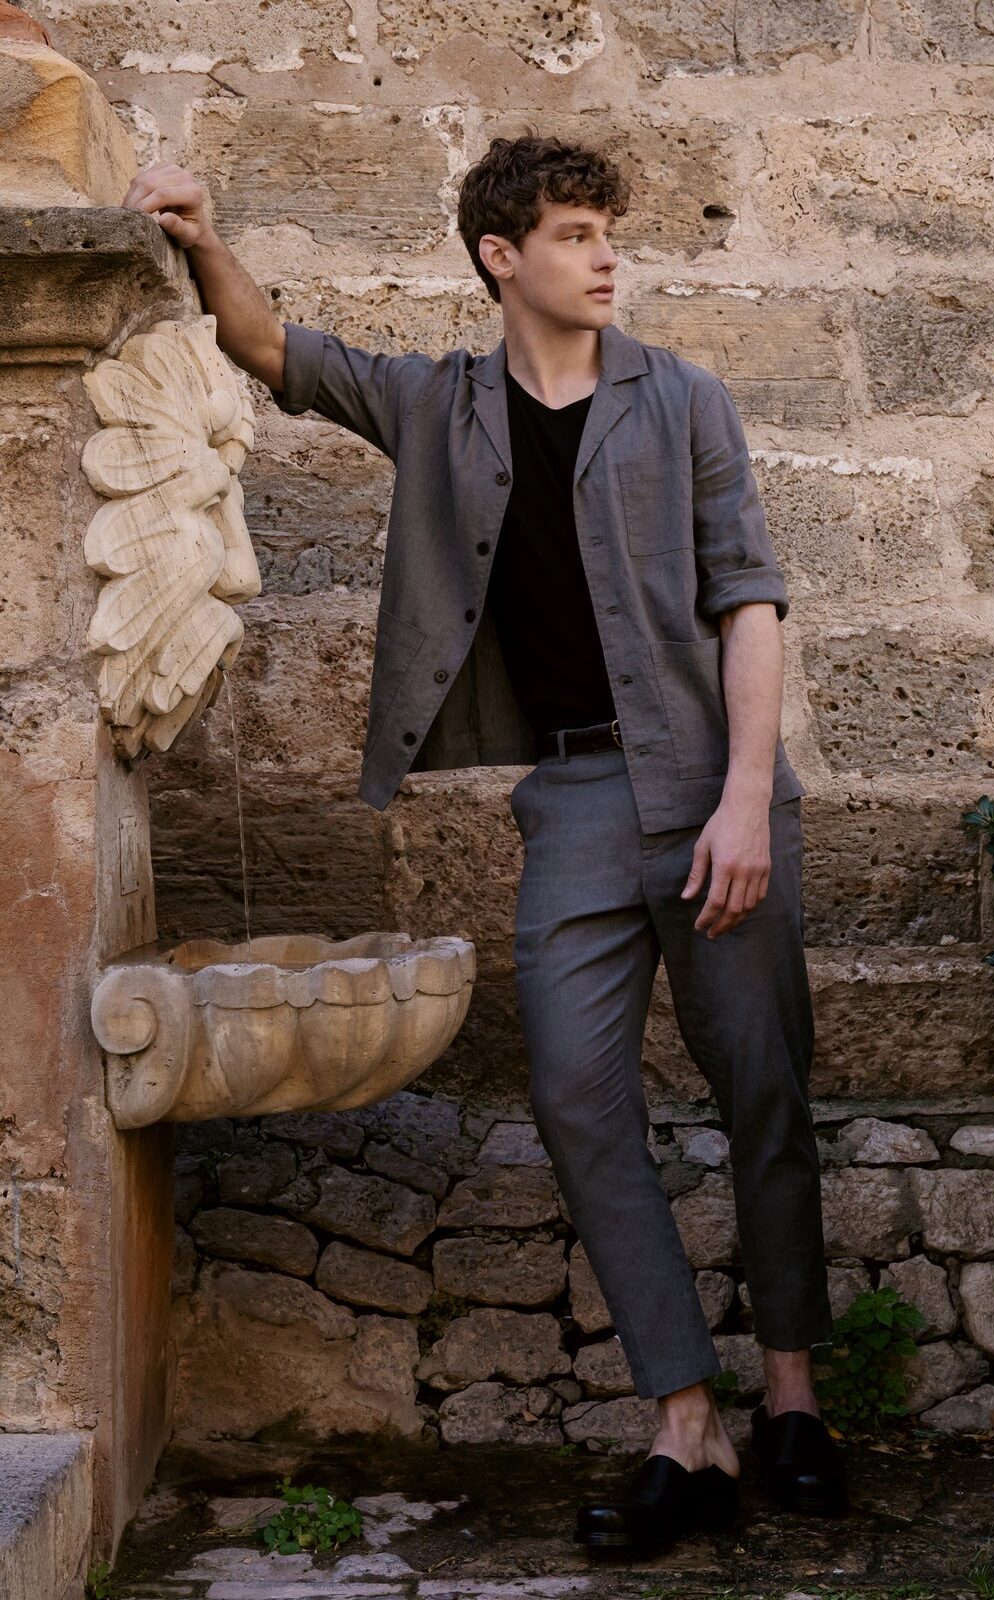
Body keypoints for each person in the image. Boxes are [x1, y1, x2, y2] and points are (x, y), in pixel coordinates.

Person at [121, 128, 850, 1554]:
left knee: (762, 1091)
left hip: (714, 788)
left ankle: (795, 1400)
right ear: (501, 258)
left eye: (608, 234)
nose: (606, 257)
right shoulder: (439, 405)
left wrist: (750, 798)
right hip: (573, 803)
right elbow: (280, 352)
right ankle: (683, 1425)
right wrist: (205, 236)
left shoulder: (684, 399)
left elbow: (749, 601)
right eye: (578, 235)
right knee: (580, 1098)